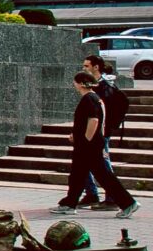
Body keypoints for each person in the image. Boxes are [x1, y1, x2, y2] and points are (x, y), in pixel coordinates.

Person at [52, 73, 139, 219]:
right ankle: (69, 203)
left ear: (80, 83)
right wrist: (77, 134)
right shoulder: (94, 98)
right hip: (89, 145)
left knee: (103, 175)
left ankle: (128, 203)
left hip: (88, 147)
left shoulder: (89, 98)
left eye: (75, 82)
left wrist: (86, 140)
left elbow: (94, 120)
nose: (74, 84)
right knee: (78, 175)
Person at [78, 55, 120, 210]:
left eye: (87, 66)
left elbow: (97, 116)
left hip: (100, 134)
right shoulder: (94, 86)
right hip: (92, 133)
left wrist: (91, 135)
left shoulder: (104, 87)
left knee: (103, 165)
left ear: (96, 67)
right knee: (85, 162)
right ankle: (91, 194)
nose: (84, 69)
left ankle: (112, 198)